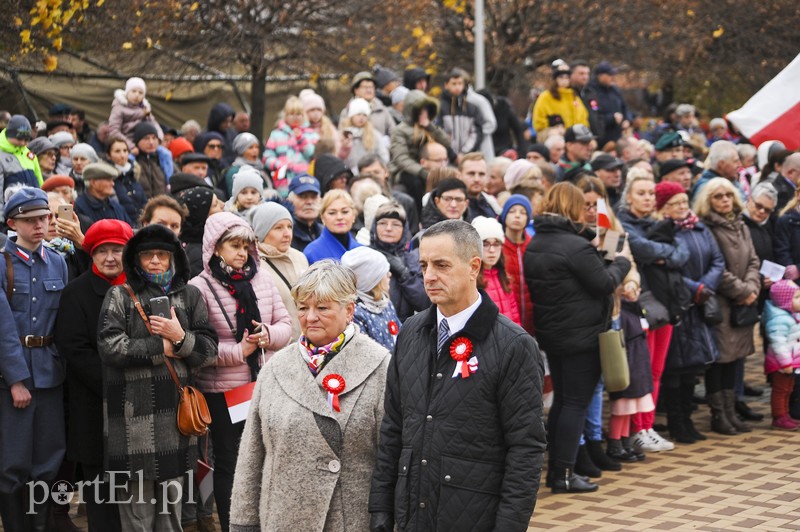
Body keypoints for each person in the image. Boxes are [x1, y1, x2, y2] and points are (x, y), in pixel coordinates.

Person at [369, 219, 545, 530]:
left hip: (474, 515)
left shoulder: (514, 346)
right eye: (423, 265)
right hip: (411, 512)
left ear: (473, 267)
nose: (429, 276)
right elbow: (394, 426)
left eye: (441, 265)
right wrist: (381, 506)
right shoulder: (411, 330)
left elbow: (525, 448)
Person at [230, 260, 390, 531]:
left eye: (323, 308)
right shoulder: (276, 368)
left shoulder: (379, 365)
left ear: (349, 310)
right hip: (283, 518)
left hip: (350, 519)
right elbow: (251, 456)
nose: (310, 317)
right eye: (303, 308)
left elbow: (389, 459)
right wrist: (243, 523)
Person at [97, 224, 218, 530]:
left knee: (170, 517)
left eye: (161, 255)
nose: (154, 261)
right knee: (136, 516)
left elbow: (209, 352)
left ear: (173, 258)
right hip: (132, 422)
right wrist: (160, 346)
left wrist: (180, 338)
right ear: (135, 260)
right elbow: (109, 348)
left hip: (176, 421)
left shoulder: (191, 295)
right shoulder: (120, 295)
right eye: (147, 255)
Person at [188, 212, 292, 531]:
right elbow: (196, 347)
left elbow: (286, 326)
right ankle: (234, 523)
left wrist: (267, 336)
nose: (241, 253)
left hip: (263, 384)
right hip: (223, 392)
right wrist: (239, 351)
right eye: (234, 245)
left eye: (246, 246)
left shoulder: (260, 278)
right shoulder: (199, 287)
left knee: (267, 458)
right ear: (214, 247)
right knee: (231, 463)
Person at [524, 183, 630, 493]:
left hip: (555, 335)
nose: (587, 210)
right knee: (574, 404)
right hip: (581, 337)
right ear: (570, 207)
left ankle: (559, 470)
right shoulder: (575, 247)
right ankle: (564, 474)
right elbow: (604, 282)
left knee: (562, 404)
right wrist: (621, 259)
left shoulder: (538, 241)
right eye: (581, 205)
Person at [55, 219, 133, 532]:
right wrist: (114, 384)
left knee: (135, 490)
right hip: (93, 404)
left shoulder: (139, 290)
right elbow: (74, 348)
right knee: (100, 489)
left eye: (118, 249)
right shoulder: (76, 292)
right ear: (91, 253)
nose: (111, 257)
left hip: (136, 407)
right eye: (102, 251)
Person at [0, 188, 68, 531]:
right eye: (30, 220)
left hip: (50, 372)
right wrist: (15, 380)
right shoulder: (2, 261)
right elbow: (2, 327)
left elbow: (64, 322)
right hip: (13, 375)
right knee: (12, 462)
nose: (40, 225)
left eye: (44, 218)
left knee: (48, 458)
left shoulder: (57, 261)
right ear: (13, 223)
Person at [618, 173, 690, 452]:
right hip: (639, 306)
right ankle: (637, 429)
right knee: (642, 371)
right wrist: (664, 252)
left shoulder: (661, 222)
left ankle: (647, 426)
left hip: (665, 305)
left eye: (651, 193)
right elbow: (641, 249)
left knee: (657, 370)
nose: (647, 198)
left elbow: (682, 253)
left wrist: (663, 254)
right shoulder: (622, 224)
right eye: (641, 193)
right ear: (629, 197)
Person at [654, 181, 724, 444]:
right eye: (676, 203)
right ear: (664, 208)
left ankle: (688, 420)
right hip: (680, 303)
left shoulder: (700, 227)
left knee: (692, 366)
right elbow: (670, 269)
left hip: (700, 303)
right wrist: (695, 289)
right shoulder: (664, 231)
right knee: (675, 367)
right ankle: (676, 421)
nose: (683, 207)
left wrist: (707, 286)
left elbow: (718, 260)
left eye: (685, 201)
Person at [694, 177, 761, 435]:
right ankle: (719, 414)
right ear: (707, 200)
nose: (724, 200)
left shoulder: (740, 223)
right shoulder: (706, 227)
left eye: (727, 195)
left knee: (735, 359)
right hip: (721, 302)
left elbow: (753, 259)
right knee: (720, 360)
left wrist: (752, 287)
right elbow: (716, 267)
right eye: (718, 196)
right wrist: (743, 291)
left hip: (743, 301)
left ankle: (731, 411)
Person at [249, 202, 310, 340]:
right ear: (261, 232)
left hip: (308, 343)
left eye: (289, 226)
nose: (287, 233)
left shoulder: (299, 257)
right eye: (278, 228)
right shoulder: (254, 264)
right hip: (279, 347)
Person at [389, 89, 452, 211]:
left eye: (426, 110)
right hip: (406, 171)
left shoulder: (430, 128)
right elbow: (401, 158)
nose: (424, 113)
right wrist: (422, 171)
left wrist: (430, 126)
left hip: (430, 166)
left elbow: (446, 143)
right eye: (420, 110)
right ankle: (421, 213)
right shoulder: (399, 131)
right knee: (416, 183)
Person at [368, 201, 429, 322]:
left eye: (396, 224)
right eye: (383, 223)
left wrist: (404, 274)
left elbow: (425, 303)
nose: (389, 228)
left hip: (407, 329)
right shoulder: (365, 256)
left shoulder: (415, 258)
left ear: (404, 229)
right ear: (375, 227)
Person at [341, 246, 401, 351]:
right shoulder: (356, 314)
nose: (390, 274)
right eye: (384, 272)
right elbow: (364, 353)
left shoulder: (385, 303)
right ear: (371, 281)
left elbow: (402, 333)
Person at [263, 96, 319, 197]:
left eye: (298, 114)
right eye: (291, 114)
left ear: (304, 116)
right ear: (286, 115)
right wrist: (280, 165)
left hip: (305, 179)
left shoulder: (311, 134)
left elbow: (313, 155)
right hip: (283, 181)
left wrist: (301, 139)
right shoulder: (276, 134)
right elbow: (267, 157)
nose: (295, 117)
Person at [762, 280, 800, 430]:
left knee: (788, 389)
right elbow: (778, 344)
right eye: (797, 297)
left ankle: (786, 415)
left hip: (791, 362)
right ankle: (779, 417)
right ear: (785, 301)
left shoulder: (792, 316)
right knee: (780, 390)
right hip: (782, 364)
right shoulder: (779, 320)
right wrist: (786, 363)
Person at [473, 216, 521, 326]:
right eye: (485, 244)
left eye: (496, 244)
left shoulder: (505, 278)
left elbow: (515, 315)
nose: (492, 250)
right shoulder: (471, 280)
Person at [501, 194, 535, 335]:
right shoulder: (497, 246)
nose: (517, 216)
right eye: (512, 211)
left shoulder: (533, 245)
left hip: (532, 319)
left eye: (523, 212)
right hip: (507, 318)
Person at [174, 185, 225, 277]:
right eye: (215, 204)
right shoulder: (199, 254)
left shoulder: (209, 240)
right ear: (202, 216)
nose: (223, 204)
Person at [303, 189, 361, 264]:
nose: (339, 217)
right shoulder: (312, 252)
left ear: (353, 216)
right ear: (322, 218)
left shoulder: (362, 251)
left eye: (345, 212)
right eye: (332, 213)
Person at [532, 59, 589, 134]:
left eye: (567, 78)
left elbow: (583, 118)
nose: (564, 81)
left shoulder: (574, 97)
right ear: (555, 79)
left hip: (574, 134)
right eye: (561, 77)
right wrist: (553, 128)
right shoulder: (546, 97)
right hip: (552, 134)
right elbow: (538, 121)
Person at [107, 77, 163, 150]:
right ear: (127, 92)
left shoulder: (145, 108)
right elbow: (114, 131)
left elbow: (153, 123)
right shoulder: (119, 108)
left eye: (140, 92)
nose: (137, 95)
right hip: (126, 145)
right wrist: (131, 146)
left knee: (164, 153)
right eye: (133, 91)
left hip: (145, 144)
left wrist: (158, 138)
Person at [437, 68, 482, 157]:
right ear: (446, 85)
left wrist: (465, 153)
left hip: (467, 157)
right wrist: (453, 155)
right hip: (445, 157)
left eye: (460, 83)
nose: (457, 87)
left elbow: (476, 134)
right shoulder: (440, 107)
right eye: (454, 83)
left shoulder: (472, 108)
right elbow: (438, 133)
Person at [73, 161, 132, 229]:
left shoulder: (116, 207)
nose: (112, 184)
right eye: (108, 180)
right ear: (94, 182)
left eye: (112, 180)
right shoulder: (80, 208)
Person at [1, 115, 41, 215]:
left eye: (26, 139)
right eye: (19, 139)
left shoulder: (29, 155)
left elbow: (40, 183)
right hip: (11, 212)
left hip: (34, 210)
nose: (22, 143)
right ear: (9, 135)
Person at [106, 134, 147, 225]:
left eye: (125, 151)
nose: (122, 155)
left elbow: (144, 203)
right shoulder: (108, 179)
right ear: (108, 155)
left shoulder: (134, 174)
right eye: (117, 151)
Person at [340, 97, 390, 172]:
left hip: (370, 171)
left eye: (364, 115)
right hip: (348, 172)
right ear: (351, 116)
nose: (361, 117)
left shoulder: (374, 134)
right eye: (358, 114)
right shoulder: (343, 134)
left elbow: (383, 155)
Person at [221, 131, 267, 198]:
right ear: (241, 150)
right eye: (250, 147)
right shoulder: (235, 171)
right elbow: (234, 196)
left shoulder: (261, 167)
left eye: (257, 147)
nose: (255, 150)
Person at [286, 173, 323, 252]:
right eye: (303, 196)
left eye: (314, 197)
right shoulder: (286, 234)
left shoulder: (326, 232)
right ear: (289, 200)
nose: (309, 202)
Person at [459, 152, 501, 221]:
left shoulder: (493, 205)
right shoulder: (453, 207)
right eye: (471, 173)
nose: (477, 179)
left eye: (481, 174)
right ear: (460, 176)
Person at [133, 122, 168, 198]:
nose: (151, 142)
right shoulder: (132, 162)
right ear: (137, 141)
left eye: (154, 138)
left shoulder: (165, 159)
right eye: (146, 138)